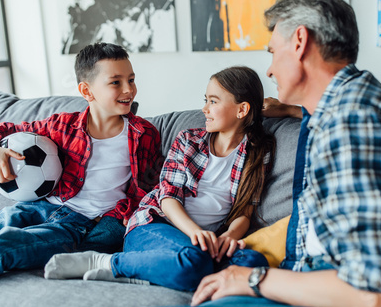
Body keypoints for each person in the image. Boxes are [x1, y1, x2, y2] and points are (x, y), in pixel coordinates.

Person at [189, 0, 381, 307]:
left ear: (299, 41)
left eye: (272, 52)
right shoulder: (343, 106)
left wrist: (252, 279)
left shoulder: (354, 121)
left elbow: (375, 296)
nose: (269, 69)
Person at [0, 42, 162, 306]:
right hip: (38, 206)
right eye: (115, 82)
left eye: (131, 80)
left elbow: (147, 191)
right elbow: (3, 128)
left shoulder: (144, 135)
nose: (129, 89)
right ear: (87, 91)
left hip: (77, 224)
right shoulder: (63, 125)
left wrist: (110, 225)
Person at [43, 66, 274, 292]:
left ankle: (150, 275)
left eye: (213, 101)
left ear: (242, 110)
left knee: (253, 263)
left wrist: (227, 238)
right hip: (154, 225)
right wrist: (195, 232)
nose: (204, 109)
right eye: (206, 100)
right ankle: (107, 263)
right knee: (194, 260)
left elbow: (245, 210)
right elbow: (167, 197)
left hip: (203, 240)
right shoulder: (189, 141)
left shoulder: (257, 152)